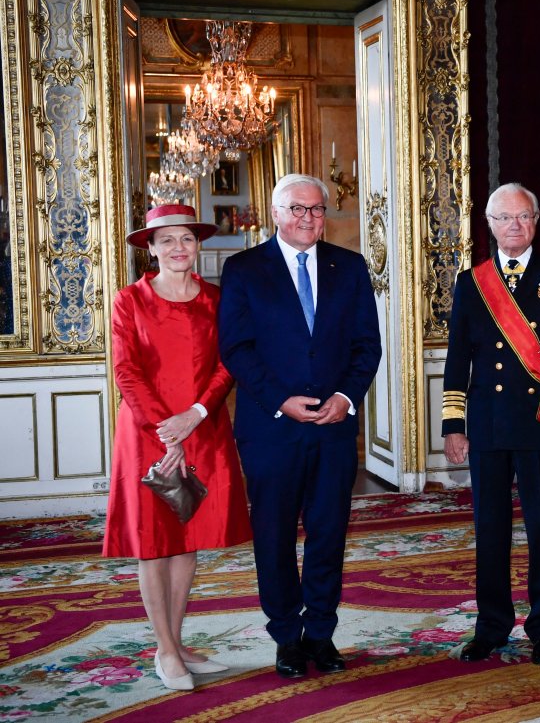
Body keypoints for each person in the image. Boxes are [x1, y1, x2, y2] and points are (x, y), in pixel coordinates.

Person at [218, 173, 382, 679]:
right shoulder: (243, 269)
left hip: (333, 427)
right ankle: (287, 636)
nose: (308, 217)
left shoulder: (349, 267)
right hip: (271, 429)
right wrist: (280, 400)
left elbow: (366, 346)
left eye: (315, 209)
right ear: (275, 213)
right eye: (297, 209)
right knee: (273, 535)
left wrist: (345, 396)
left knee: (329, 534)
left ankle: (321, 634)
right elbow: (236, 349)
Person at [442, 182, 540, 666]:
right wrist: (453, 424)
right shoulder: (472, 282)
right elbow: (457, 359)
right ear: (488, 226)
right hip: (487, 425)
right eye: (504, 218)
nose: (514, 226)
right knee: (490, 530)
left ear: (536, 221)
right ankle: (491, 626)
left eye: (523, 217)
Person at [103, 204, 253, 692]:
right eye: (166, 240)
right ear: (150, 247)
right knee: (154, 544)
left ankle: (177, 640)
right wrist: (165, 430)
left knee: (187, 539)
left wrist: (196, 415)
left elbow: (229, 362)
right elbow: (126, 371)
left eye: (186, 238)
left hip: (203, 428)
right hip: (146, 433)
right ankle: (165, 650)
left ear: (198, 244)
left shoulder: (217, 299)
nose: (178, 248)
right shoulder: (130, 300)